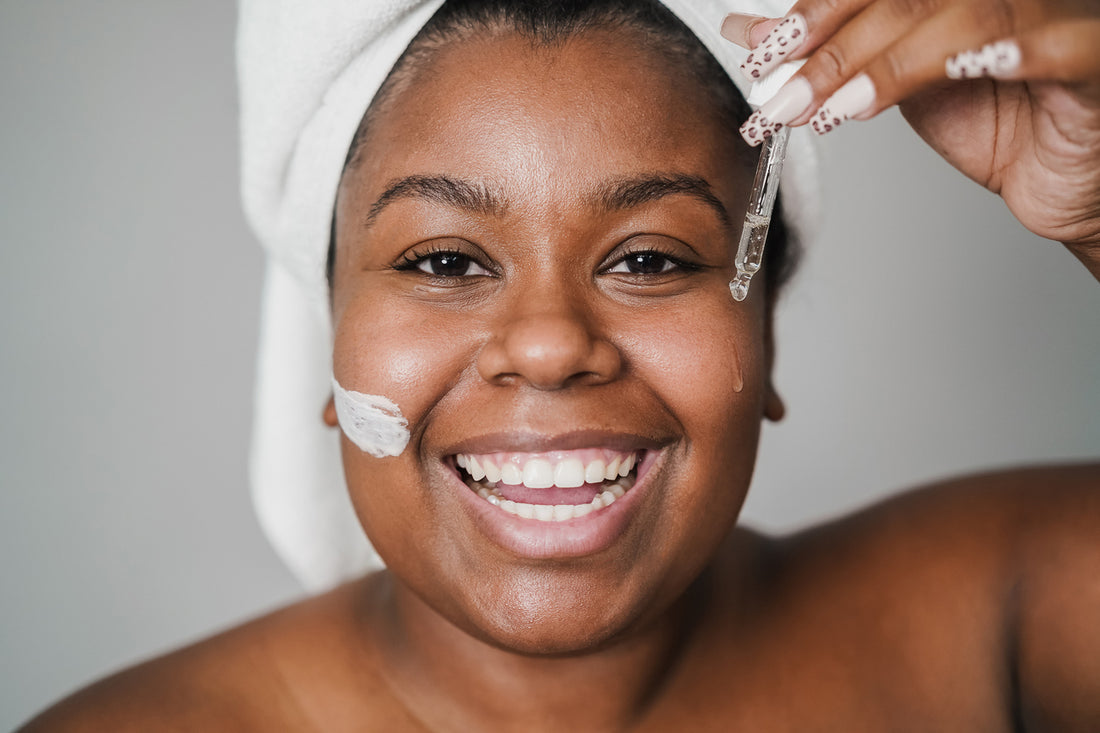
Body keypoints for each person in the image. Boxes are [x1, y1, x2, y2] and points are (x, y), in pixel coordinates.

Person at [19, 0, 1099, 730]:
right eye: (442, 259)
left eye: (647, 257)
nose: (546, 343)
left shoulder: (994, 614)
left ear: (764, 331)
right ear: (330, 333)